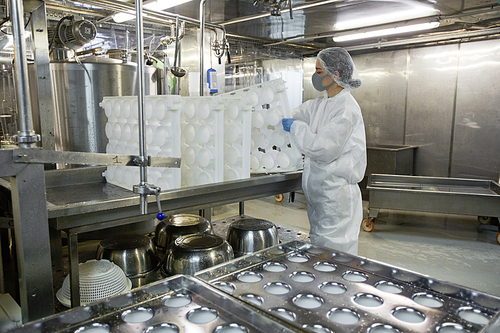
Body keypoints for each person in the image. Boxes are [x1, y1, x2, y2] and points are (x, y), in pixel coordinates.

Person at [282, 47, 366, 255]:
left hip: (337, 198)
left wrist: (295, 127)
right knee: (321, 251)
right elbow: (298, 113)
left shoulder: (346, 108)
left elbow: (323, 148)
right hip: (321, 195)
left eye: (319, 72)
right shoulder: (322, 103)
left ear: (335, 74)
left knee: (336, 256)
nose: (315, 77)